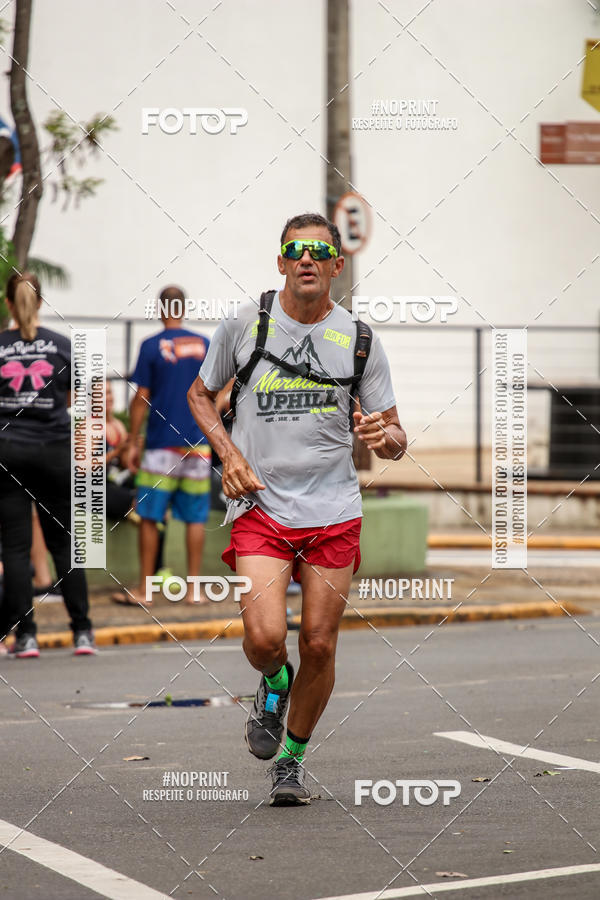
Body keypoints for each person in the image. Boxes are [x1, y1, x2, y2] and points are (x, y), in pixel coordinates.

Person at [187, 212, 406, 805]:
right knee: (264, 639)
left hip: (334, 509)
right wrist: (228, 454)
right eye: (294, 250)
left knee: (319, 642)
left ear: (338, 264)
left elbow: (394, 434)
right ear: (281, 262)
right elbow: (200, 395)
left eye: (318, 250)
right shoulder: (245, 323)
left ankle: (292, 758)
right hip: (262, 505)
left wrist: (384, 438)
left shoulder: (359, 340)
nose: (306, 258)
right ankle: (274, 684)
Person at [0, 272, 95, 657]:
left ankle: (26, 637)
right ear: (40, 302)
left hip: (7, 451)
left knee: (16, 548)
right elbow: (86, 400)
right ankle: (83, 632)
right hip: (54, 450)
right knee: (66, 544)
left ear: (8, 303)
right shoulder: (61, 345)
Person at [112, 286, 211, 607]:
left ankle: (146, 590)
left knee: (150, 516)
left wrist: (131, 440)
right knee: (196, 518)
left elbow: (141, 399)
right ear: (183, 308)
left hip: (159, 447)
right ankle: (194, 589)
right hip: (198, 445)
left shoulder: (151, 346)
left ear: (160, 309)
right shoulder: (204, 345)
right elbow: (218, 390)